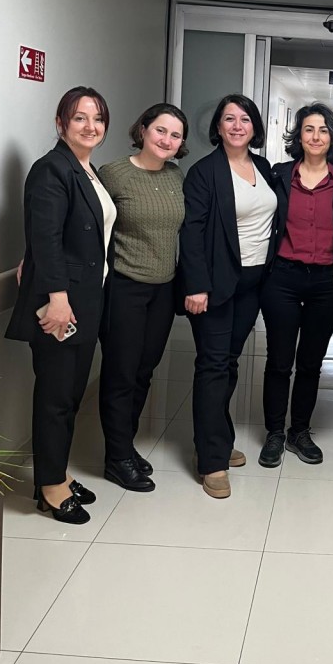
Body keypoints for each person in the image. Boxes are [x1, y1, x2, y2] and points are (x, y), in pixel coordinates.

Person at [6, 87, 116, 525]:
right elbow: (46, 237)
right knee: (55, 397)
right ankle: (49, 488)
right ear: (60, 123)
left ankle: (58, 474)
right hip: (61, 304)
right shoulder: (51, 168)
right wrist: (56, 297)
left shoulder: (87, 170)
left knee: (69, 395)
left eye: (98, 118)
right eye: (79, 118)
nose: (90, 126)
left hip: (85, 299)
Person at [178, 94, 277, 499]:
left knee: (229, 363)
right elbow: (191, 232)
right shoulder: (204, 172)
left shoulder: (263, 167)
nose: (238, 126)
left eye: (245, 119)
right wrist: (196, 285)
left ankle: (216, 438)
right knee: (214, 366)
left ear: (255, 127)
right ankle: (212, 461)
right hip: (215, 285)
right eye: (229, 119)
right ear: (217, 127)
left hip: (252, 284)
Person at [258, 102, 333, 469]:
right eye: (308, 129)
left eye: (323, 130)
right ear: (298, 136)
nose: (316, 136)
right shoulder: (279, 174)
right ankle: (274, 432)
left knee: (311, 363)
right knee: (279, 361)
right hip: (282, 280)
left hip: (326, 284)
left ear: (332, 137)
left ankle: (299, 431)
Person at [97, 103, 188, 492]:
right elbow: (88, 225)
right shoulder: (113, 174)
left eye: (175, 135)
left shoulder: (175, 176)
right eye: (160, 130)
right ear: (143, 129)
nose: (166, 140)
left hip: (163, 289)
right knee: (121, 373)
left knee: (144, 371)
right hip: (124, 286)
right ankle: (116, 458)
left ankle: (126, 446)